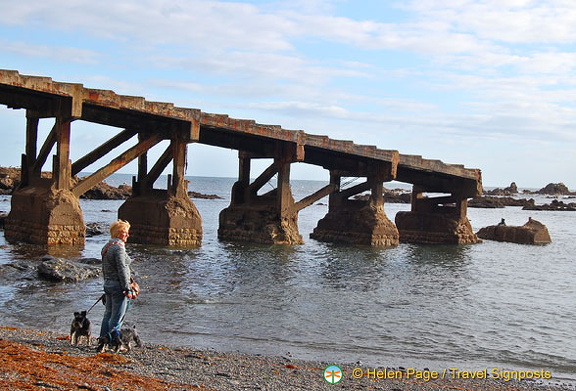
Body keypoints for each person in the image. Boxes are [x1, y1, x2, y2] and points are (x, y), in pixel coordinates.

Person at [97, 219, 137, 352]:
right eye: (125, 232)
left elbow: (105, 268)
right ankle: (113, 343)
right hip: (118, 286)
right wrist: (127, 288)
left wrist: (106, 283)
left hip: (108, 284)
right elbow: (122, 269)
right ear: (119, 233)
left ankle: (102, 341)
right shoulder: (118, 248)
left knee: (107, 315)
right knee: (117, 317)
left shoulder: (107, 247)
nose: (127, 235)